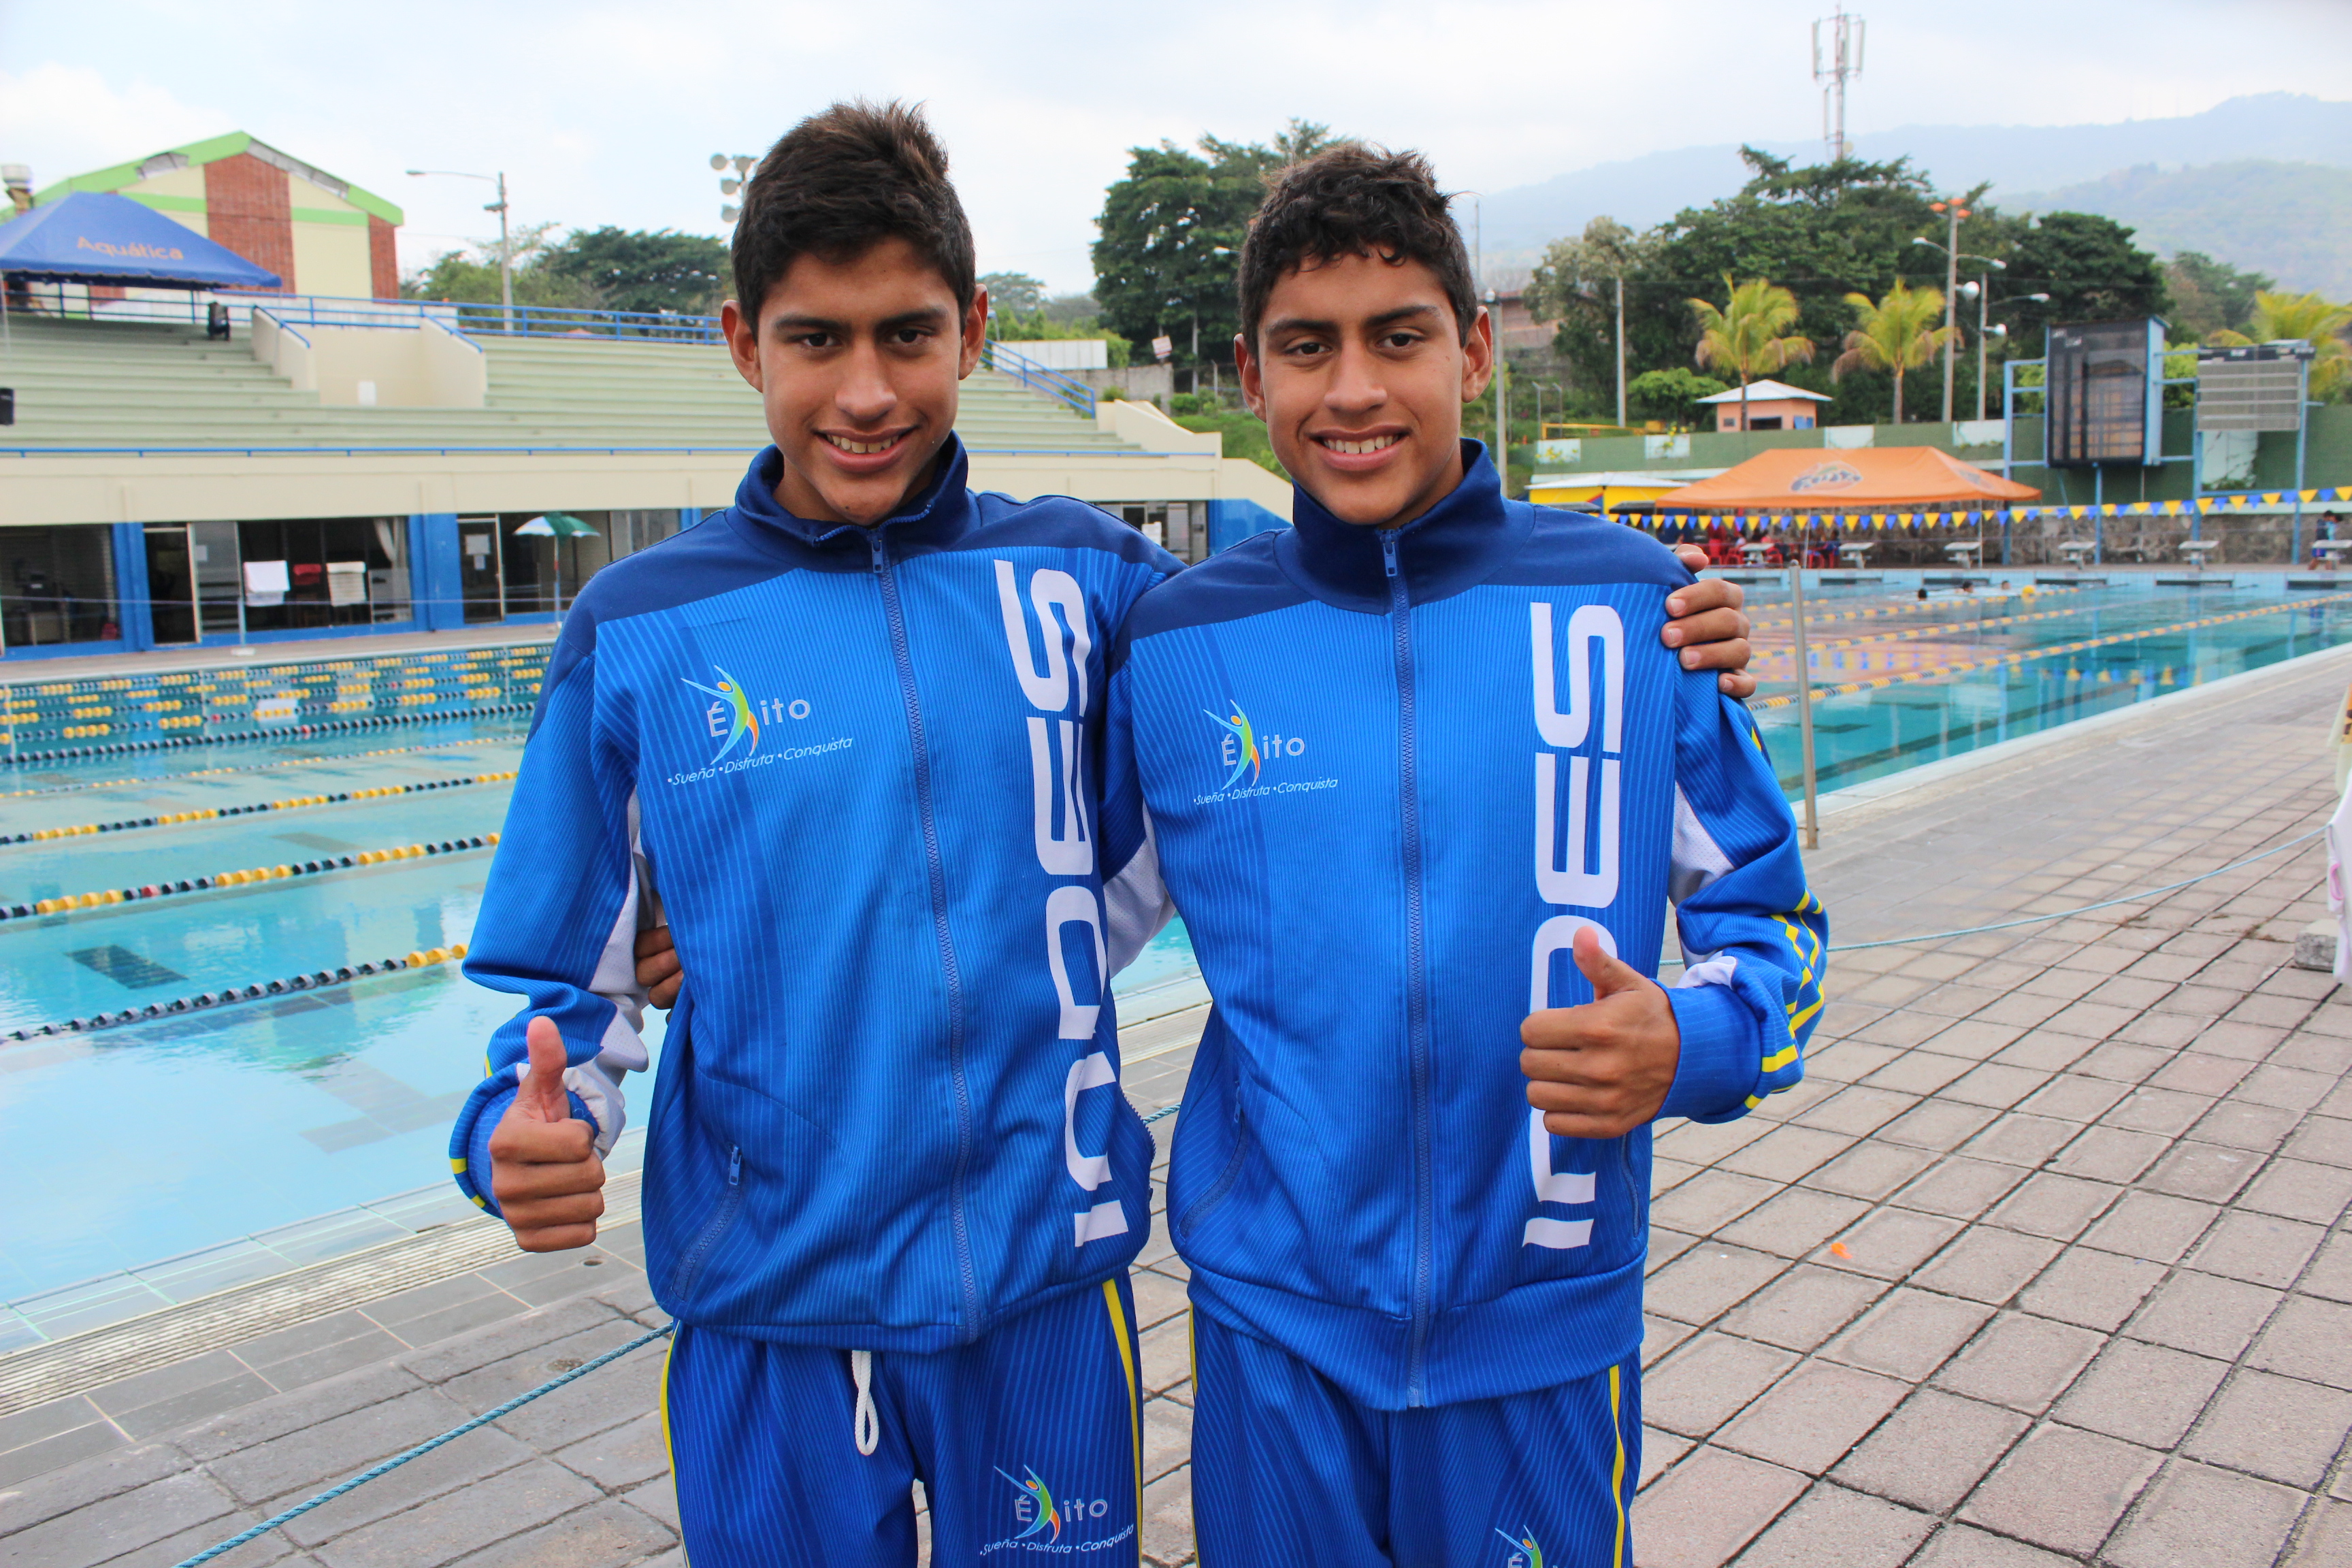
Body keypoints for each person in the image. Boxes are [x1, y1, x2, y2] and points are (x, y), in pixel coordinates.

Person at [467, 103, 1757, 1568]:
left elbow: (1326, 641)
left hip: (1047, 1296)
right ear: (741, 342)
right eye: (817, 340)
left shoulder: (1099, 583)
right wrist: (528, 1121)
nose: (866, 390)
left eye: (908, 335)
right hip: (771, 1309)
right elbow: (557, 982)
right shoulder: (639, 631)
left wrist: (1676, 624)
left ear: (972, 331)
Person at [1092, 144, 1823, 1563]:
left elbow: (1778, 932)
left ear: (1473, 350)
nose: (1354, 389)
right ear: (1252, 373)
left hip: (1539, 1324)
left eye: (1399, 337)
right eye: (1308, 347)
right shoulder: (1181, 646)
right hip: (1275, 1327)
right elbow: (1043, 927)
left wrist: (1693, 1041)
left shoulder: (1636, 612)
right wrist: (706, 935)